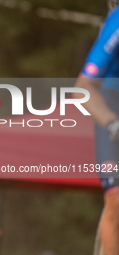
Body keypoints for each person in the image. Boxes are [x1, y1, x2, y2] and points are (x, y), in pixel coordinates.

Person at [73, 1, 119, 255]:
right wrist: (112, 123)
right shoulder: (118, 22)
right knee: (117, 202)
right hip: (110, 105)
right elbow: (83, 89)